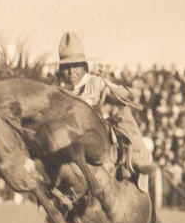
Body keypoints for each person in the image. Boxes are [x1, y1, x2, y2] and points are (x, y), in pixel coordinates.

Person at [54, 32, 154, 192]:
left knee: (122, 113)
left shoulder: (96, 82)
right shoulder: (60, 92)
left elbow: (130, 95)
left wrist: (110, 86)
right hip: (73, 142)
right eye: (66, 67)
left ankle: (137, 156)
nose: (71, 71)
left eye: (74, 66)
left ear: (83, 66)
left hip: (103, 130)